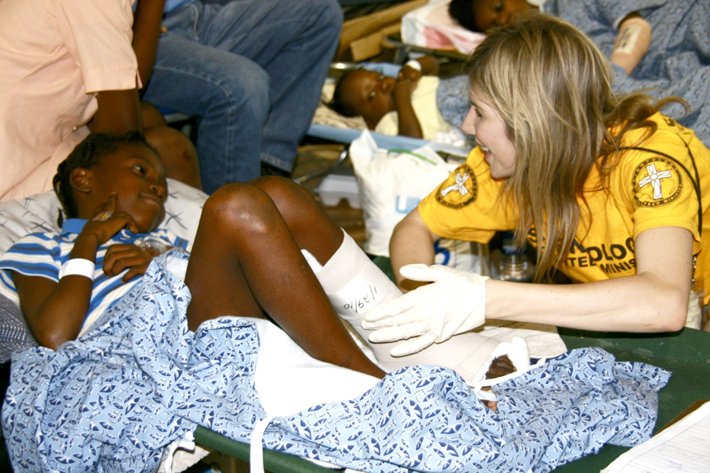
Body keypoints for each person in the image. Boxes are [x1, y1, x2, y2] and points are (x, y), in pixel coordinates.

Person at [0, 133, 669, 473]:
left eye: (158, 173)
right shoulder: (40, 248)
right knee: (237, 204)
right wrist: (88, 245)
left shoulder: (170, 232)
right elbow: (56, 334)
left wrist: (164, 257)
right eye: (138, 171)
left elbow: (205, 269)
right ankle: (379, 382)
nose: (156, 183)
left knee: (276, 196)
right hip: (155, 345)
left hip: (212, 309)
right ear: (84, 179)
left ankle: (394, 329)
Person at [362, 14, 710, 357]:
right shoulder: (501, 167)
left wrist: (482, 298)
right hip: (621, 314)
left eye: (479, 112)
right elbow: (415, 225)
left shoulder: (648, 161)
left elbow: (665, 303)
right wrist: (423, 296)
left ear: (532, 126)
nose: (467, 126)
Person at [0, 0, 202, 203]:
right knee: (171, 150)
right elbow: (123, 135)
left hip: (34, 149)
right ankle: (200, 230)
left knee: (149, 117)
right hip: (11, 183)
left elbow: (129, 85)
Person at [139, 0, 343, 192]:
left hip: (191, 13)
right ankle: (233, 218)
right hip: (140, 32)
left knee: (322, 12)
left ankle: (266, 167)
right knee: (242, 86)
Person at [446, 0, 710, 146]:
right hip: (664, 77)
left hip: (681, 32)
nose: (504, 20)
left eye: (499, 7)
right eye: (493, 25)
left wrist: (605, 83)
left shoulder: (567, 4)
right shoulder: (529, 54)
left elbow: (636, 28)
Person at [329, 56, 469, 145]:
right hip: (459, 116)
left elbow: (432, 64)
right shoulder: (388, 123)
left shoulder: (410, 81)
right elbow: (412, 140)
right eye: (372, 95)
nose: (383, 85)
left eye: (381, 77)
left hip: (464, 89)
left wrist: (413, 66)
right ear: (369, 123)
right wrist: (402, 97)